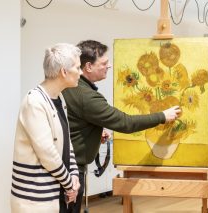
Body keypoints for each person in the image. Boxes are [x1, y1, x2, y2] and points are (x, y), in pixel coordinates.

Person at [62, 40, 181, 212]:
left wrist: (94, 130)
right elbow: (126, 123)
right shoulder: (87, 96)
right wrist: (162, 116)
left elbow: (74, 121)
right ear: (88, 66)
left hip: (66, 164)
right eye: (103, 63)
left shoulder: (72, 87)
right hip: (71, 169)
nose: (109, 66)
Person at [11, 43, 82, 213]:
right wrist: (69, 184)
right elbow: (47, 152)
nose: (80, 73)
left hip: (58, 192)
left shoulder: (58, 99)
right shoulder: (34, 101)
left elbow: (66, 142)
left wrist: (74, 174)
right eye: (78, 67)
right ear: (64, 72)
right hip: (36, 198)